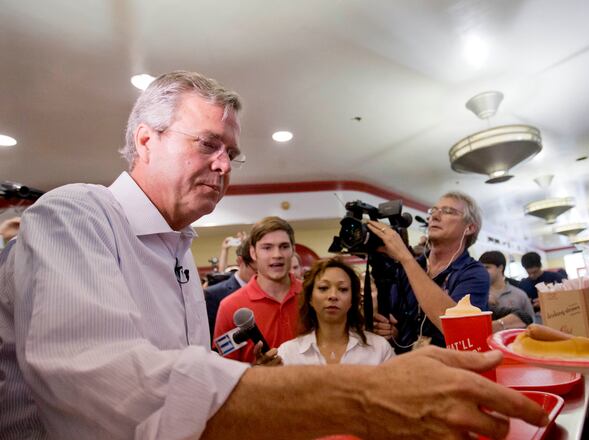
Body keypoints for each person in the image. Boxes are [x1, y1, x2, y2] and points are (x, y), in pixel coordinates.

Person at [0, 71, 547, 439]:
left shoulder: (180, 251)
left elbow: (185, 382)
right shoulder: (74, 215)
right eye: (207, 144)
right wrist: (362, 394)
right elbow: (108, 387)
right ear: (146, 140)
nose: (224, 166)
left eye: (231, 153)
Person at [371, 191, 489, 353]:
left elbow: (459, 329)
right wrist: (392, 332)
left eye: (448, 211)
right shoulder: (409, 268)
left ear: (469, 228)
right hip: (404, 363)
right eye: (433, 210)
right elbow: (397, 321)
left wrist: (405, 257)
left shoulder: (474, 273)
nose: (435, 216)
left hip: (448, 366)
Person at [214, 216, 302, 364]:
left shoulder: (313, 296)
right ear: (253, 253)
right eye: (267, 248)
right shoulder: (230, 307)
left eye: (284, 246)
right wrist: (257, 372)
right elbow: (223, 369)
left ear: (293, 250)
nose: (277, 255)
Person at [276, 258, 394, 365]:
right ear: (310, 298)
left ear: (352, 299)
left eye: (342, 289)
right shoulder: (288, 353)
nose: (333, 296)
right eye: (323, 288)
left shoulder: (379, 349)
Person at [205, 235, 256, 337]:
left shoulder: (269, 290)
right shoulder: (213, 294)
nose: (260, 276)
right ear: (240, 261)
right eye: (256, 270)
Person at [479, 250, 534, 331]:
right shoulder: (478, 296)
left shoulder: (519, 294)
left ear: (500, 268)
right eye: (481, 268)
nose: (483, 271)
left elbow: (532, 323)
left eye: (487, 267)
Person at [518, 252, 565, 322]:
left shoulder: (555, 277)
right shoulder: (523, 285)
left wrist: (547, 301)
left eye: (535, 272)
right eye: (529, 273)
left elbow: (566, 298)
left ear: (540, 266)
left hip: (558, 315)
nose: (532, 275)